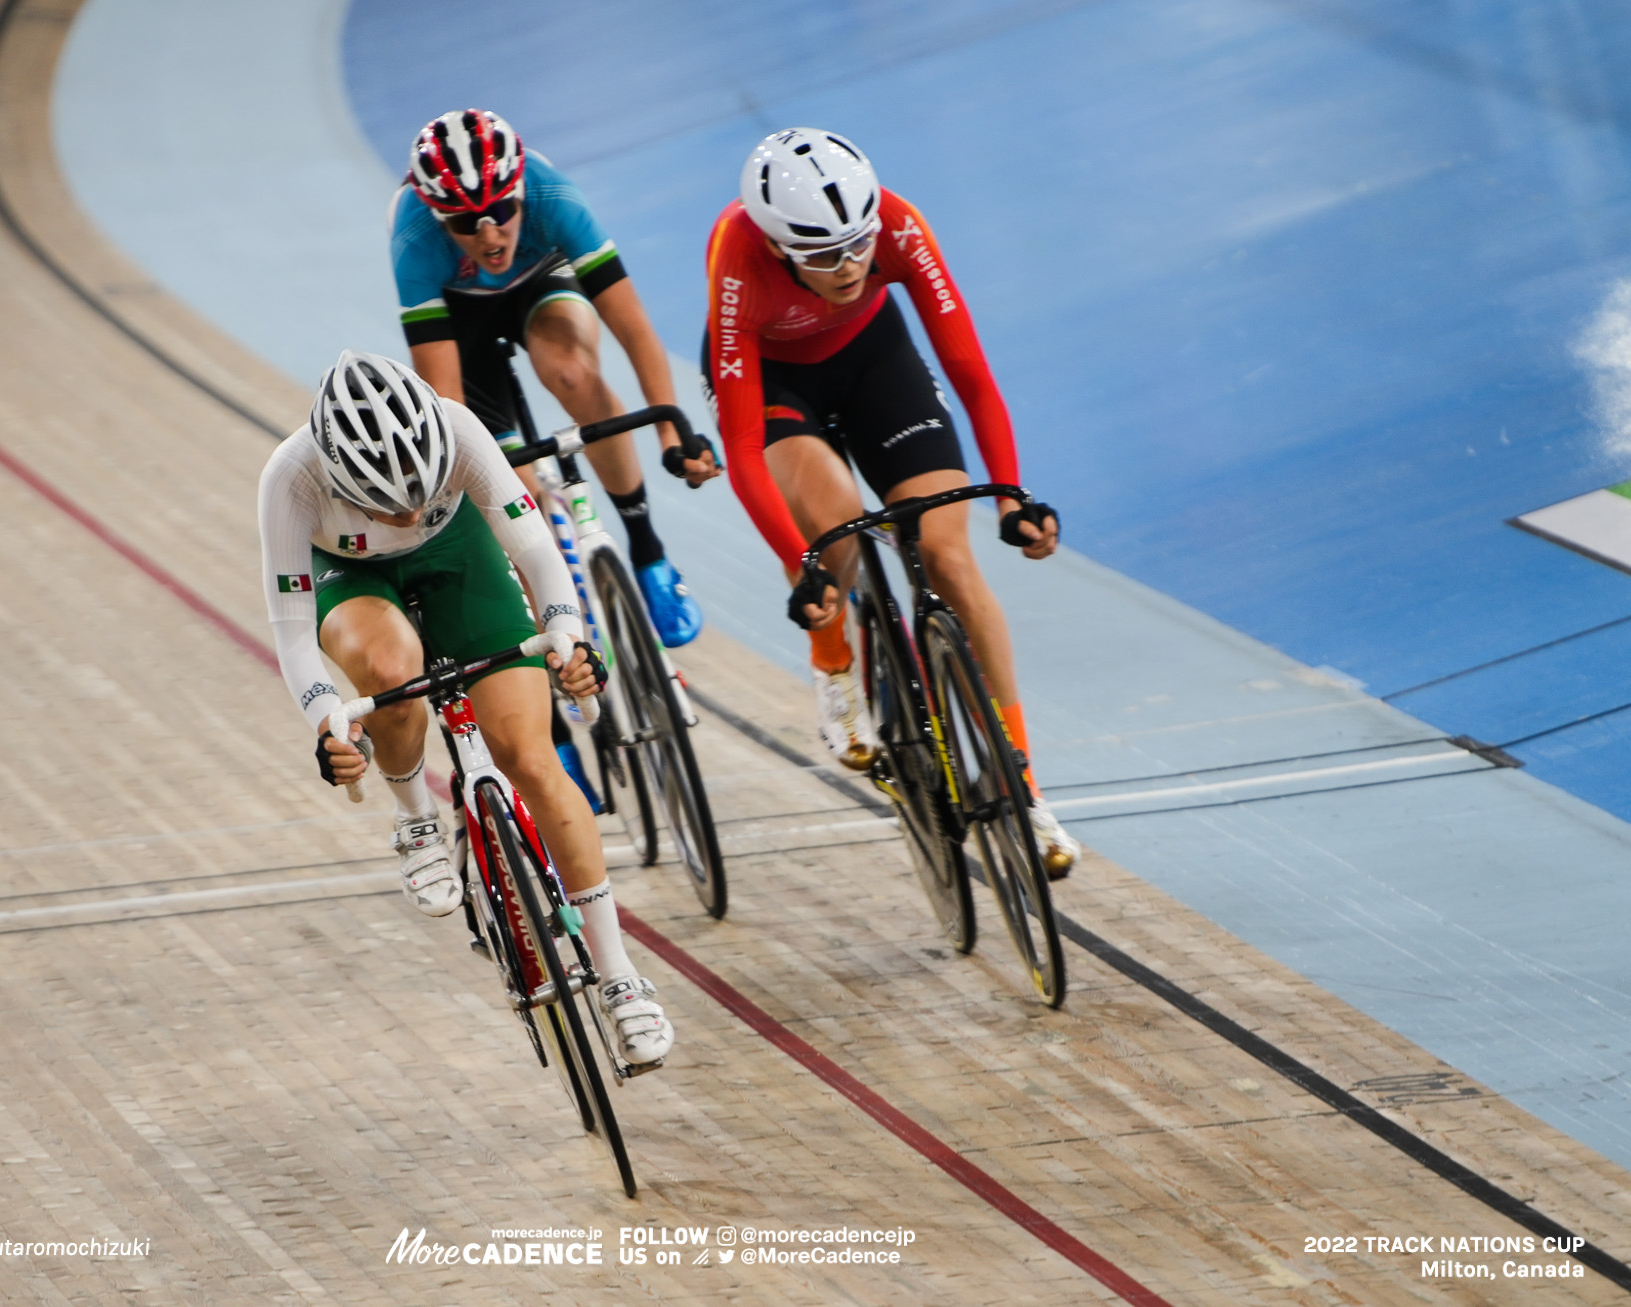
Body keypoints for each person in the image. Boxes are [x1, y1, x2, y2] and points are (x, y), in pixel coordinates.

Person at [258, 349, 673, 1064]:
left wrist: (569, 639)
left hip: (461, 554)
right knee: (391, 671)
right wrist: (329, 722)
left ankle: (620, 977)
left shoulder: (458, 430)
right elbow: (293, 635)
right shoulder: (290, 479)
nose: (409, 512)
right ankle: (417, 816)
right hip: (353, 573)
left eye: (419, 491)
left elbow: (538, 554)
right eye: (387, 502)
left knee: (532, 759)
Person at [702, 128, 1080, 876]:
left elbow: (969, 372)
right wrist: (801, 567)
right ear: (778, 249)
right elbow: (744, 447)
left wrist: (1010, 497)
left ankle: (1024, 788)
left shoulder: (900, 225)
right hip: (777, 385)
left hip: (876, 361)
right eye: (821, 255)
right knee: (836, 532)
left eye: (857, 246)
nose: (847, 267)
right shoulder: (738, 254)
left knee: (948, 559)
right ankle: (835, 657)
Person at [389, 108, 718, 659]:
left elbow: (633, 329)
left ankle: (646, 549)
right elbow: (448, 401)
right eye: (468, 224)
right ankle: (558, 650)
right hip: (460, 319)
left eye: (500, 210)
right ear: (441, 219)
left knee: (571, 372)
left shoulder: (552, 196)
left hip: (540, 282)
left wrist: (670, 433)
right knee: (511, 493)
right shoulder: (414, 237)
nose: (491, 234)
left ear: (519, 191)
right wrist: (501, 483)